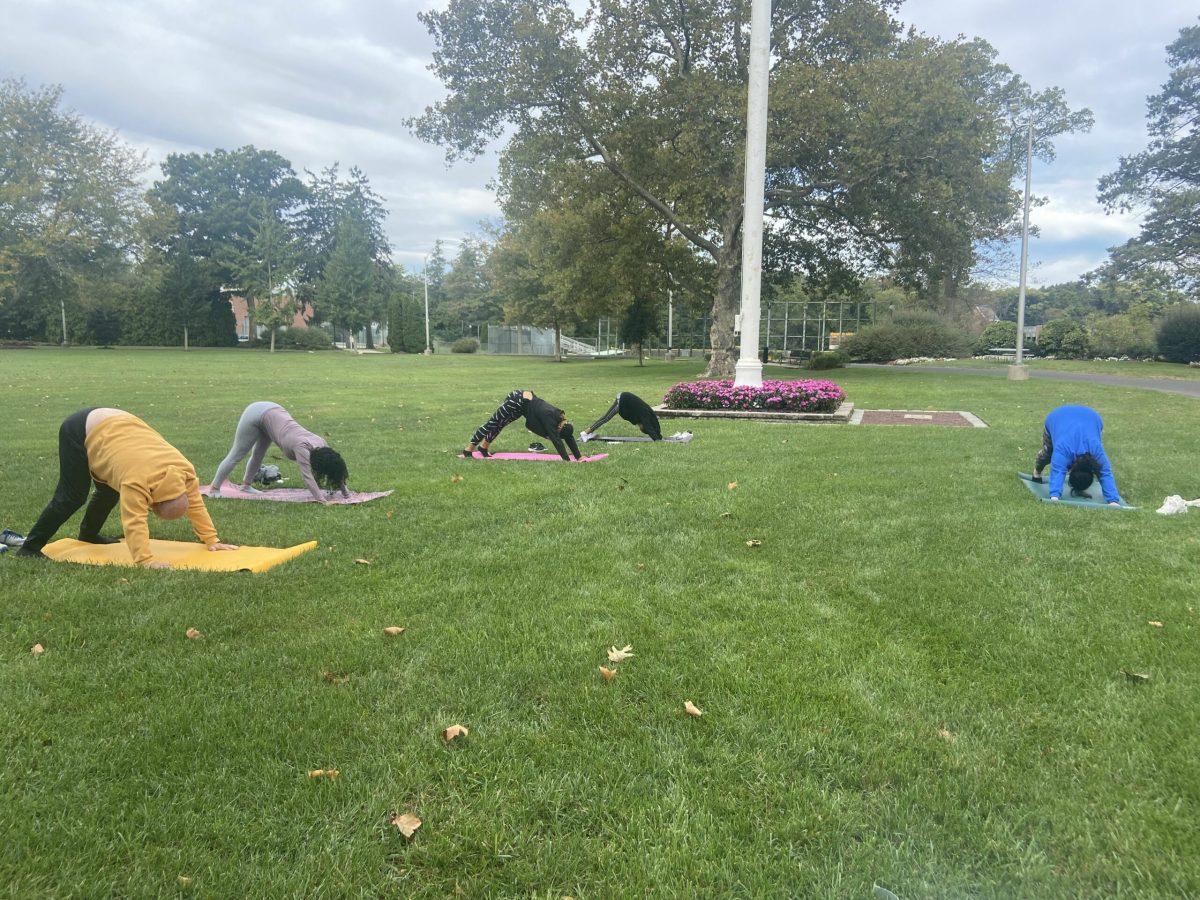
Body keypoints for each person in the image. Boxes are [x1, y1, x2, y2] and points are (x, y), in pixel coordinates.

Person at [17, 408, 238, 568]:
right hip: (80, 428)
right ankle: (30, 547)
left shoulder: (185, 471)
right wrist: (145, 560)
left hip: (118, 424)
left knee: (108, 490)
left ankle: (88, 534)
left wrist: (212, 540)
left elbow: (196, 505)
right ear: (151, 503)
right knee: (72, 495)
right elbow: (134, 521)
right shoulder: (137, 482)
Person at [209, 402, 349, 504]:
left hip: (272, 414)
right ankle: (214, 489)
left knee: (258, 454)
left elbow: (334, 469)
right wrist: (322, 500)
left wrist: (345, 492)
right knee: (237, 454)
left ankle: (246, 486)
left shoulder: (322, 444)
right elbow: (308, 478)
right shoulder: (302, 448)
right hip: (255, 414)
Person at [1032, 405, 1122, 506]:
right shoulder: (1063, 450)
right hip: (1058, 417)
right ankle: (1037, 472)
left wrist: (1113, 500)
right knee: (1048, 454)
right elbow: (1058, 470)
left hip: (1092, 418)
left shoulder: (1096, 452)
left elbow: (1105, 472)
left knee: (1091, 442)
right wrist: (1054, 496)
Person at [460, 390, 582, 461]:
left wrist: (579, 457)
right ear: (560, 427)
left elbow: (568, 436)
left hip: (523, 407)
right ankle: (468, 450)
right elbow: (556, 440)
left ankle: (483, 448)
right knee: (493, 423)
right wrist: (566, 460)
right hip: (517, 399)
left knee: (501, 424)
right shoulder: (550, 418)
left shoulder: (559, 419)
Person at [581, 392, 663, 442]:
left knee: (605, 418)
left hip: (625, 399)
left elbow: (654, 425)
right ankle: (585, 433)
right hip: (623, 400)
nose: (639, 428)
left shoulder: (649, 416)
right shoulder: (645, 417)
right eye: (641, 428)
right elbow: (649, 427)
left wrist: (659, 436)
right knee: (606, 418)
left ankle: (588, 432)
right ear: (643, 426)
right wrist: (657, 439)